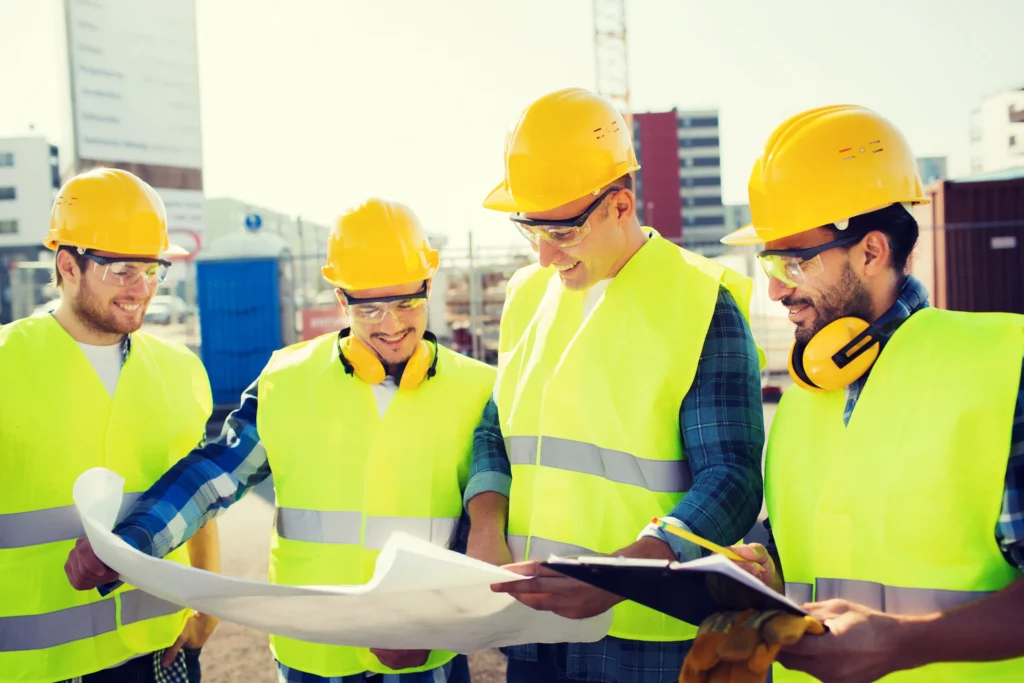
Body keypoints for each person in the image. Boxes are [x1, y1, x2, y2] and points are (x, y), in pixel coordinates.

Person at [65, 198, 497, 683]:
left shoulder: (480, 390)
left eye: (406, 303)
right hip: (312, 656)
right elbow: (213, 477)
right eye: (370, 307)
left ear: (428, 286)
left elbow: (489, 532)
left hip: (426, 658)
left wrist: (438, 622)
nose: (392, 325)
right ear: (340, 300)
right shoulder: (285, 380)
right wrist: (130, 544)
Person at [463, 87, 768, 682]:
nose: (547, 255)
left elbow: (732, 478)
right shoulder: (526, 295)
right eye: (532, 230)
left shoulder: (702, 302)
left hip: (645, 633)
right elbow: (496, 430)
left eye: (565, 231)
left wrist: (623, 574)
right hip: (533, 628)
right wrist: (485, 530)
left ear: (620, 205)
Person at [719, 104, 1024, 682]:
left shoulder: (1005, 366)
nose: (775, 288)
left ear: (871, 250)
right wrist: (768, 577)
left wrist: (910, 643)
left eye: (793, 261)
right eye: (768, 260)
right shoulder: (807, 394)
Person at [0, 167, 220, 683]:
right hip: (35, 665)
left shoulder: (181, 368)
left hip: (159, 651)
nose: (140, 288)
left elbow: (203, 499)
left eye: (152, 270)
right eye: (122, 269)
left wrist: (206, 604)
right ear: (67, 266)